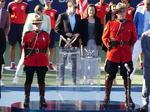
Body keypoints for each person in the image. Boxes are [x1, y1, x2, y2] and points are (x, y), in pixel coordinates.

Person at [102, 2, 137, 107]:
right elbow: (104, 37)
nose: (122, 13)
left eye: (123, 11)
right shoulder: (110, 23)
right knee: (109, 76)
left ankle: (128, 97)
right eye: (120, 12)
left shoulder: (131, 24)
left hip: (126, 54)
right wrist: (109, 44)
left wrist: (127, 46)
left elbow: (134, 38)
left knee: (127, 76)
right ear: (116, 13)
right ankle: (107, 97)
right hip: (113, 53)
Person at [12, 5, 51, 84]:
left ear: (42, 12)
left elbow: (48, 30)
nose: (36, 14)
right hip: (30, 41)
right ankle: (17, 76)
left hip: (41, 42)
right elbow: (26, 28)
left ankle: (40, 82)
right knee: (23, 58)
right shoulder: (30, 16)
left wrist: (44, 39)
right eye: (35, 12)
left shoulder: (47, 18)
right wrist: (25, 40)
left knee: (41, 64)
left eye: (38, 13)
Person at [23, 13, 50, 107]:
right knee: (28, 80)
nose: (37, 25)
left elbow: (46, 47)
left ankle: (42, 98)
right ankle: (27, 97)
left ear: (41, 24)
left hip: (42, 60)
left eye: (38, 23)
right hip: (30, 59)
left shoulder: (45, 35)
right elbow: (25, 47)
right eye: (35, 23)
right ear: (32, 24)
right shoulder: (27, 34)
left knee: (41, 80)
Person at [54, 0, 81, 85]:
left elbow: (80, 29)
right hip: (64, 43)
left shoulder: (78, 17)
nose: (76, 9)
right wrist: (65, 33)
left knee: (74, 62)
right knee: (62, 62)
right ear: (69, 7)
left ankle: (74, 79)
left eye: (77, 7)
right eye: (74, 7)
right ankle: (61, 79)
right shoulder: (62, 16)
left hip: (74, 42)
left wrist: (78, 33)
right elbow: (57, 29)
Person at [81, 4, 103, 85]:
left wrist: (99, 43)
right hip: (86, 44)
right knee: (85, 61)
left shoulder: (98, 20)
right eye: (90, 10)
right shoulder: (84, 21)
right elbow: (82, 33)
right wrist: (84, 44)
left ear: (95, 11)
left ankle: (91, 79)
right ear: (87, 11)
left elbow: (100, 32)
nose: (91, 11)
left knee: (93, 61)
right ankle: (85, 78)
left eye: (93, 10)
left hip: (94, 43)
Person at [131, 0, 150, 79]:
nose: (147, 8)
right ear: (144, 4)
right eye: (146, 7)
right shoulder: (139, 9)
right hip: (139, 37)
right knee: (134, 57)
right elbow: (134, 22)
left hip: (149, 38)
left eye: (149, 7)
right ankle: (130, 76)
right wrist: (135, 34)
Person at [7, 0, 29, 69]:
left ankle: (21, 63)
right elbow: (8, 16)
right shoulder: (11, 4)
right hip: (13, 26)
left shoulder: (26, 5)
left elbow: (27, 17)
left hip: (22, 27)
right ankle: (12, 63)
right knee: (12, 45)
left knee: (22, 46)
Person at [102, 1, 117, 85]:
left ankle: (114, 79)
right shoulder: (106, 16)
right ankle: (107, 77)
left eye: (115, 6)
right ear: (110, 7)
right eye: (113, 6)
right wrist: (106, 39)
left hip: (116, 41)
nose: (114, 8)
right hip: (108, 40)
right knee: (107, 60)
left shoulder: (118, 16)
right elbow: (105, 28)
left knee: (114, 61)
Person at [44, 0, 58, 70]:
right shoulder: (42, 11)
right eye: (46, 1)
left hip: (52, 31)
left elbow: (56, 22)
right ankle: (43, 63)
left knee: (51, 48)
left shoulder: (55, 12)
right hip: (44, 31)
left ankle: (50, 63)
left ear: (51, 2)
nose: (47, 2)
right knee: (43, 48)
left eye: (49, 1)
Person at [0, 0, 10, 86]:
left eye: (3, 1)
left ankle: (0, 79)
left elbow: (8, 25)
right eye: (1, 1)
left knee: (0, 59)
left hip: (1, 38)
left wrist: (4, 35)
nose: (2, 3)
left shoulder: (6, 13)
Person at [141, 29, 150, 111]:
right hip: (148, 64)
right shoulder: (145, 35)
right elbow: (144, 50)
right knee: (147, 84)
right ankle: (145, 103)